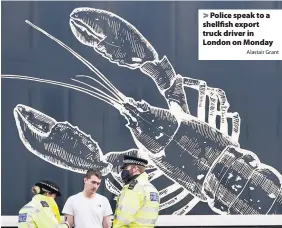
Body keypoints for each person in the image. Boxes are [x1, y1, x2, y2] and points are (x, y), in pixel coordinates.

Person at [112, 155, 160, 228]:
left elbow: (123, 219)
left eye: (125, 168)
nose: (123, 171)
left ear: (135, 169)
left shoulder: (133, 188)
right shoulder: (152, 189)